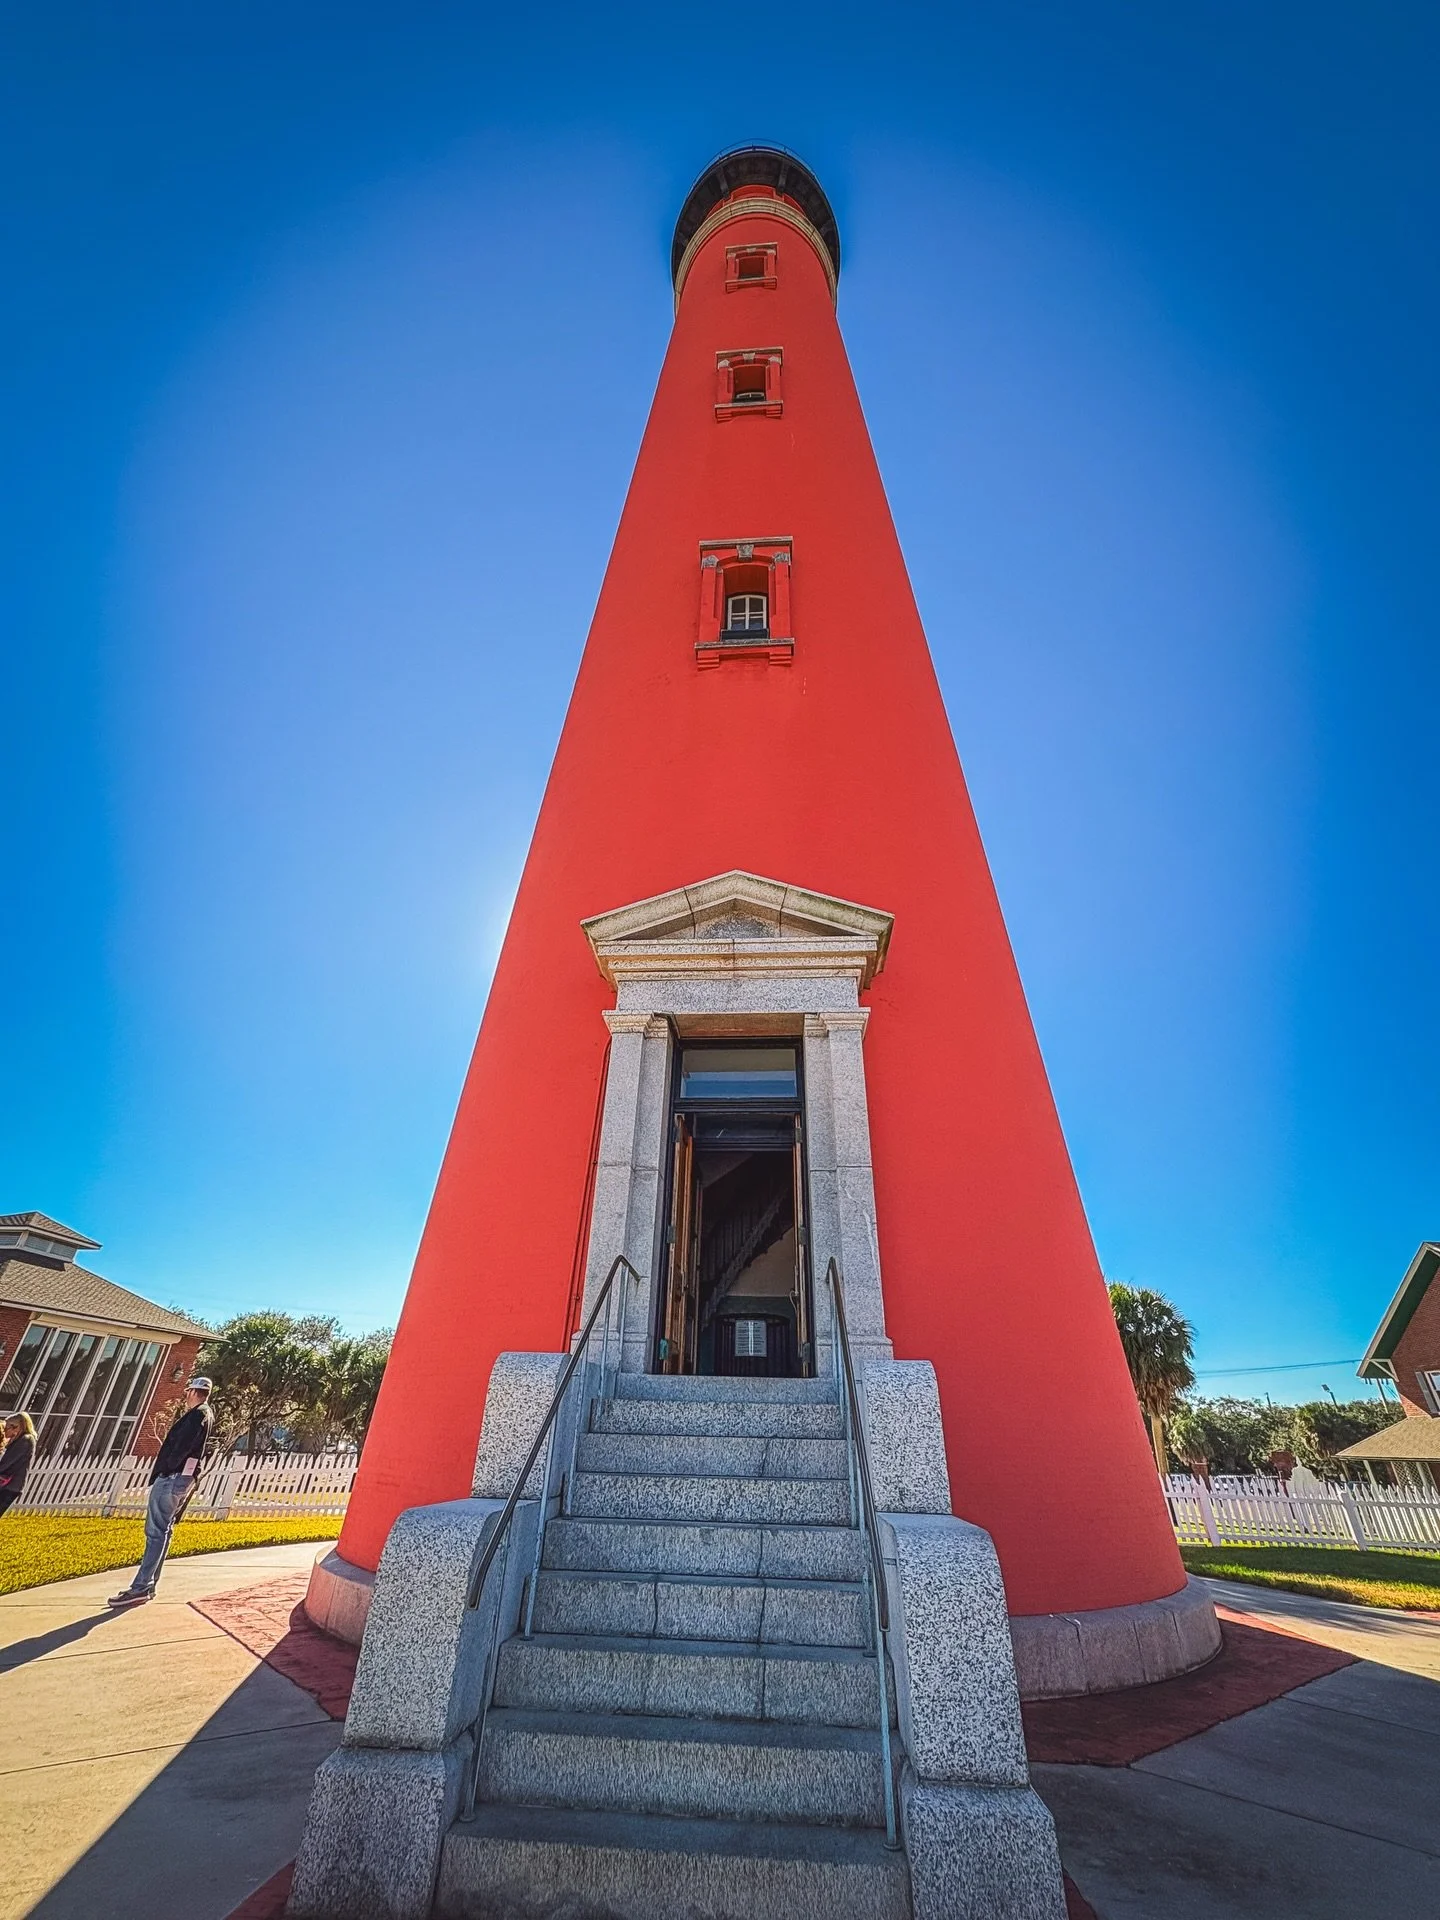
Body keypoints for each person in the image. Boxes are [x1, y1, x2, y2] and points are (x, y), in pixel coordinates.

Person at [108, 1376, 214, 1607]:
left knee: (156, 1531)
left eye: (188, 1391)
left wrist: (167, 1470)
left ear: (194, 1392)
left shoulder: (197, 1416)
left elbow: (181, 1447)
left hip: (173, 1477)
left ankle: (141, 1586)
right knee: (164, 1529)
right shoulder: (205, 1414)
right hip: (181, 1477)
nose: (186, 1396)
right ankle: (149, 1584)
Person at [0, 1413, 36, 1515]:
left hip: (10, 1486)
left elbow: (8, 1462)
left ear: (16, 1427)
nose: (5, 1432)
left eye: (6, 1428)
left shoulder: (26, 1440)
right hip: (10, 1485)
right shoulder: (21, 1440)